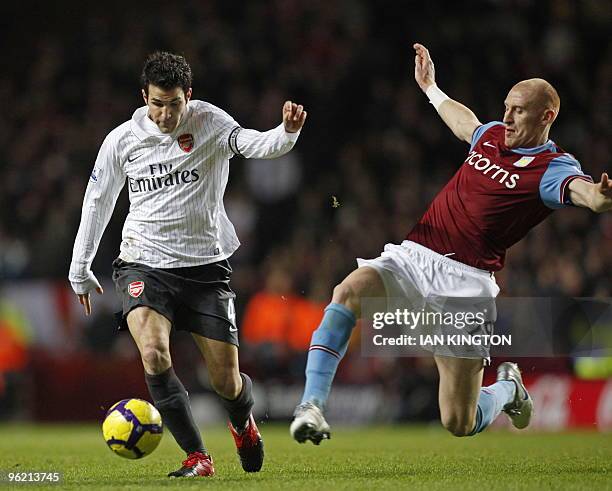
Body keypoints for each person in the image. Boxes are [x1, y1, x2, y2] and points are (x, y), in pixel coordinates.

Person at [290, 42, 612, 444]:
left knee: (459, 420)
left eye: (518, 111)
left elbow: (585, 194)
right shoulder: (492, 135)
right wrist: (431, 88)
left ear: (547, 116)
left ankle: (509, 388)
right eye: (507, 107)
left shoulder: (553, 168)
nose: (507, 118)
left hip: (465, 287)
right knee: (348, 292)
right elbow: (465, 123)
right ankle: (312, 406)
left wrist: (600, 198)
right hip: (415, 256)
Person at [69, 51, 307, 477]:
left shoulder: (210, 122)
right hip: (143, 263)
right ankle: (198, 457)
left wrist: (286, 134)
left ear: (188, 97)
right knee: (155, 354)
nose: (164, 114)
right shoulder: (121, 140)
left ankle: (242, 424)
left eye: (174, 104)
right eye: (157, 103)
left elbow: (253, 143)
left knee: (226, 383)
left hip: (204, 268)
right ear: (144, 97)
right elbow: (97, 201)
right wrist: (80, 267)